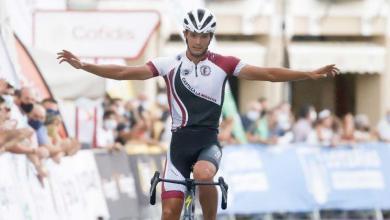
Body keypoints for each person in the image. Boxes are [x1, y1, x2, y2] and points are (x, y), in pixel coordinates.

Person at [57, 8, 339, 220]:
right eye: (194, 34)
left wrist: (308, 74)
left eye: (204, 35)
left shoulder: (224, 63)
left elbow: (267, 73)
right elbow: (122, 72)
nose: (198, 40)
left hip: (208, 143)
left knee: (204, 173)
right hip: (178, 146)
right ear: (185, 35)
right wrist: (84, 66)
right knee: (169, 214)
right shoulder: (168, 64)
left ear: (210, 37)